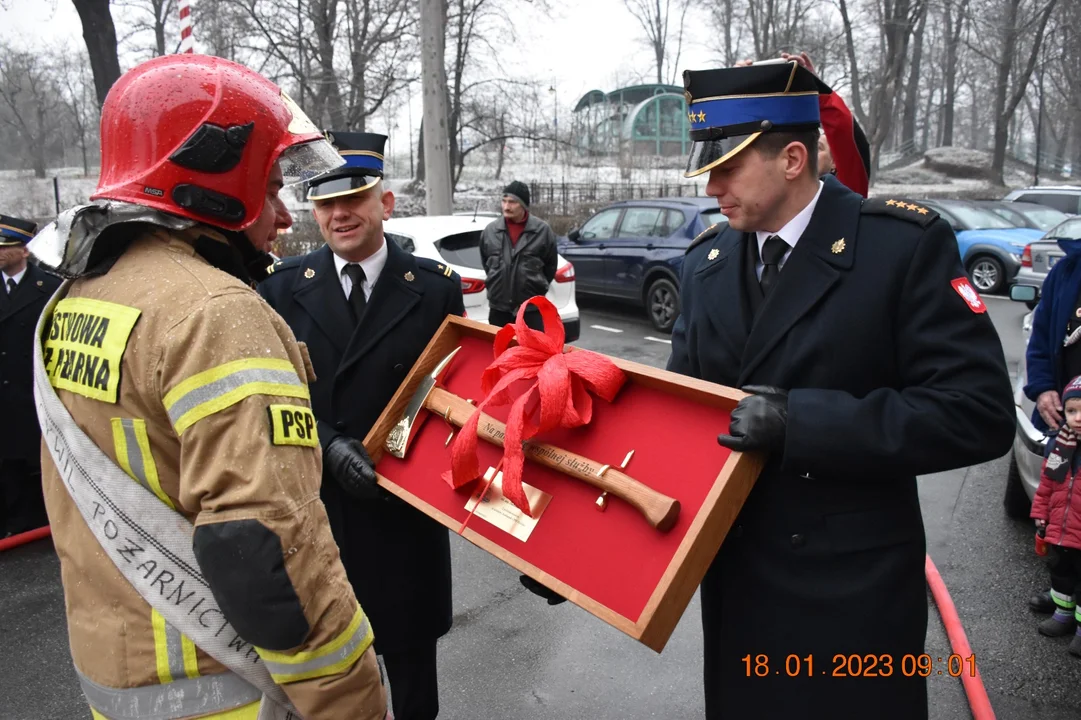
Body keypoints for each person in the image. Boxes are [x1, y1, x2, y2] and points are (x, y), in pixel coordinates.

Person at [31, 54, 386, 719]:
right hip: (227, 691)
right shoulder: (214, 311)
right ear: (213, 185)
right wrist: (354, 701)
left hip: (121, 686)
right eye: (273, 187)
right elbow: (265, 547)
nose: (285, 216)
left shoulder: (80, 295)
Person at [668, 60, 1014, 718]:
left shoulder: (898, 248)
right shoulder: (705, 264)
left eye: (727, 166)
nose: (709, 185)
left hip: (851, 599)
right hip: (740, 591)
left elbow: (976, 413)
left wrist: (802, 424)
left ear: (793, 158)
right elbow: (679, 421)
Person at [258, 130, 465, 720]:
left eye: (355, 198)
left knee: (413, 678)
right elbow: (276, 397)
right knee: (333, 678)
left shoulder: (431, 289)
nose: (340, 214)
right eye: (325, 203)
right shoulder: (279, 289)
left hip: (402, 510)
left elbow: (450, 395)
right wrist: (328, 446)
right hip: (323, 513)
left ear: (386, 204)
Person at [1022, 230, 1081, 614]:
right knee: (1062, 509)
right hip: (1067, 418)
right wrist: (1043, 389)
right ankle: (1063, 593)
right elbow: (1042, 337)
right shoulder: (1067, 270)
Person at [734, 52, 870, 197]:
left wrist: (814, 87)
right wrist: (734, 91)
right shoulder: (775, 194)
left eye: (819, 147)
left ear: (834, 163)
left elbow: (841, 127)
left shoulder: (846, 195)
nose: (807, 149)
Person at [0, 214, 61, 537]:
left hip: (32, 397)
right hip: (3, 399)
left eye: (4, 246)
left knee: (34, 471)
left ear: (24, 250)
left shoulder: (50, 288)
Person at [1031, 374, 1081, 657]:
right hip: (1062, 530)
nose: (1077, 418)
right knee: (1061, 573)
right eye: (1071, 411)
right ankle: (1063, 613)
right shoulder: (1062, 447)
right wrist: (1040, 514)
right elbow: (1048, 483)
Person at [479, 180, 557, 330]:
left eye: (512, 202)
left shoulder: (542, 231)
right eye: (504, 201)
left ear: (523, 205)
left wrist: (534, 288)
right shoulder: (490, 231)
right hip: (499, 309)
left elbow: (550, 267)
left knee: (532, 352)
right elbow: (486, 263)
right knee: (502, 352)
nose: (506, 206)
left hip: (531, 309)